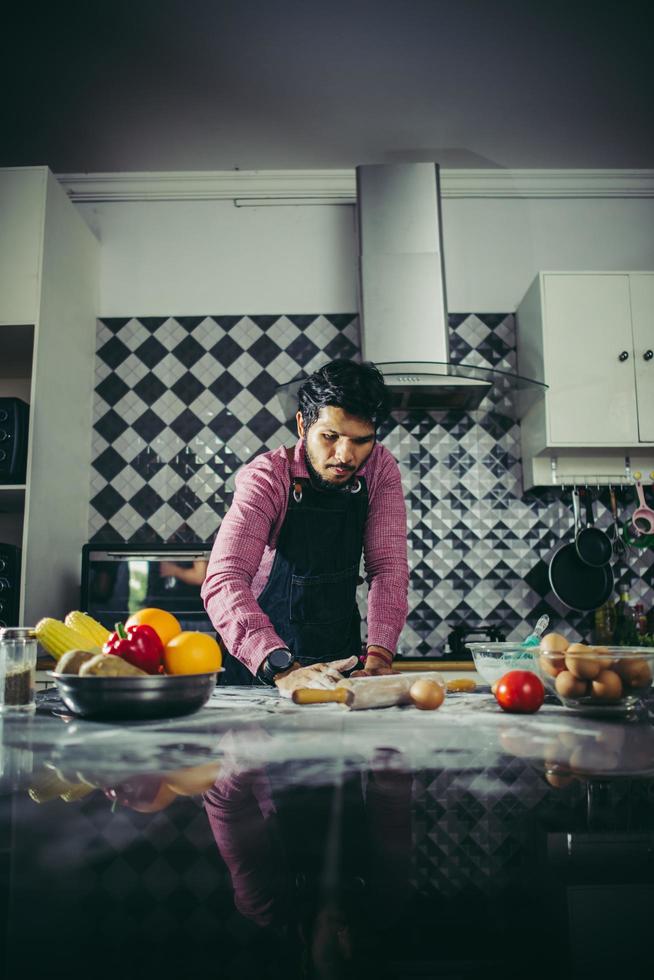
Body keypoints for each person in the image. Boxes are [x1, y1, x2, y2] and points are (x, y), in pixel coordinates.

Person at [201, 359, 409, 689]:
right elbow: (224, 579)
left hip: (342, 670)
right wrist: (280, 667)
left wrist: (379, 657)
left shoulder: (380, 469)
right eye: (330, 436)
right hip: (263, 673)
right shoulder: (267, 477)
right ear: (302, 425)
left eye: (361, 440)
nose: (345, 456)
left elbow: (388, 569)